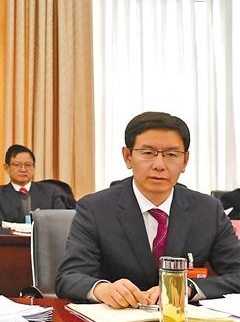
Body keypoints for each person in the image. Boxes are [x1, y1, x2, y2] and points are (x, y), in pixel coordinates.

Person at [56, 111, 240, 307]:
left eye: (171, 154)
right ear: (128, 157)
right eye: (148, 153)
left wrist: (188, 288)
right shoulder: (95, 208)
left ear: (185, 161)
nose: (159, 165)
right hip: (116, 319)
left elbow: (237, 274)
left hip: (182, 321)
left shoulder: (208, 210)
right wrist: (102, 289)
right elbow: (69, 277)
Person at [0, 145, 67, 225]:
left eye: (28, 165)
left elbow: (64, 223)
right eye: (17, 165)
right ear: (6, 167)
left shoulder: (51, 192)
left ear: (34, 167)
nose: (23, 169)